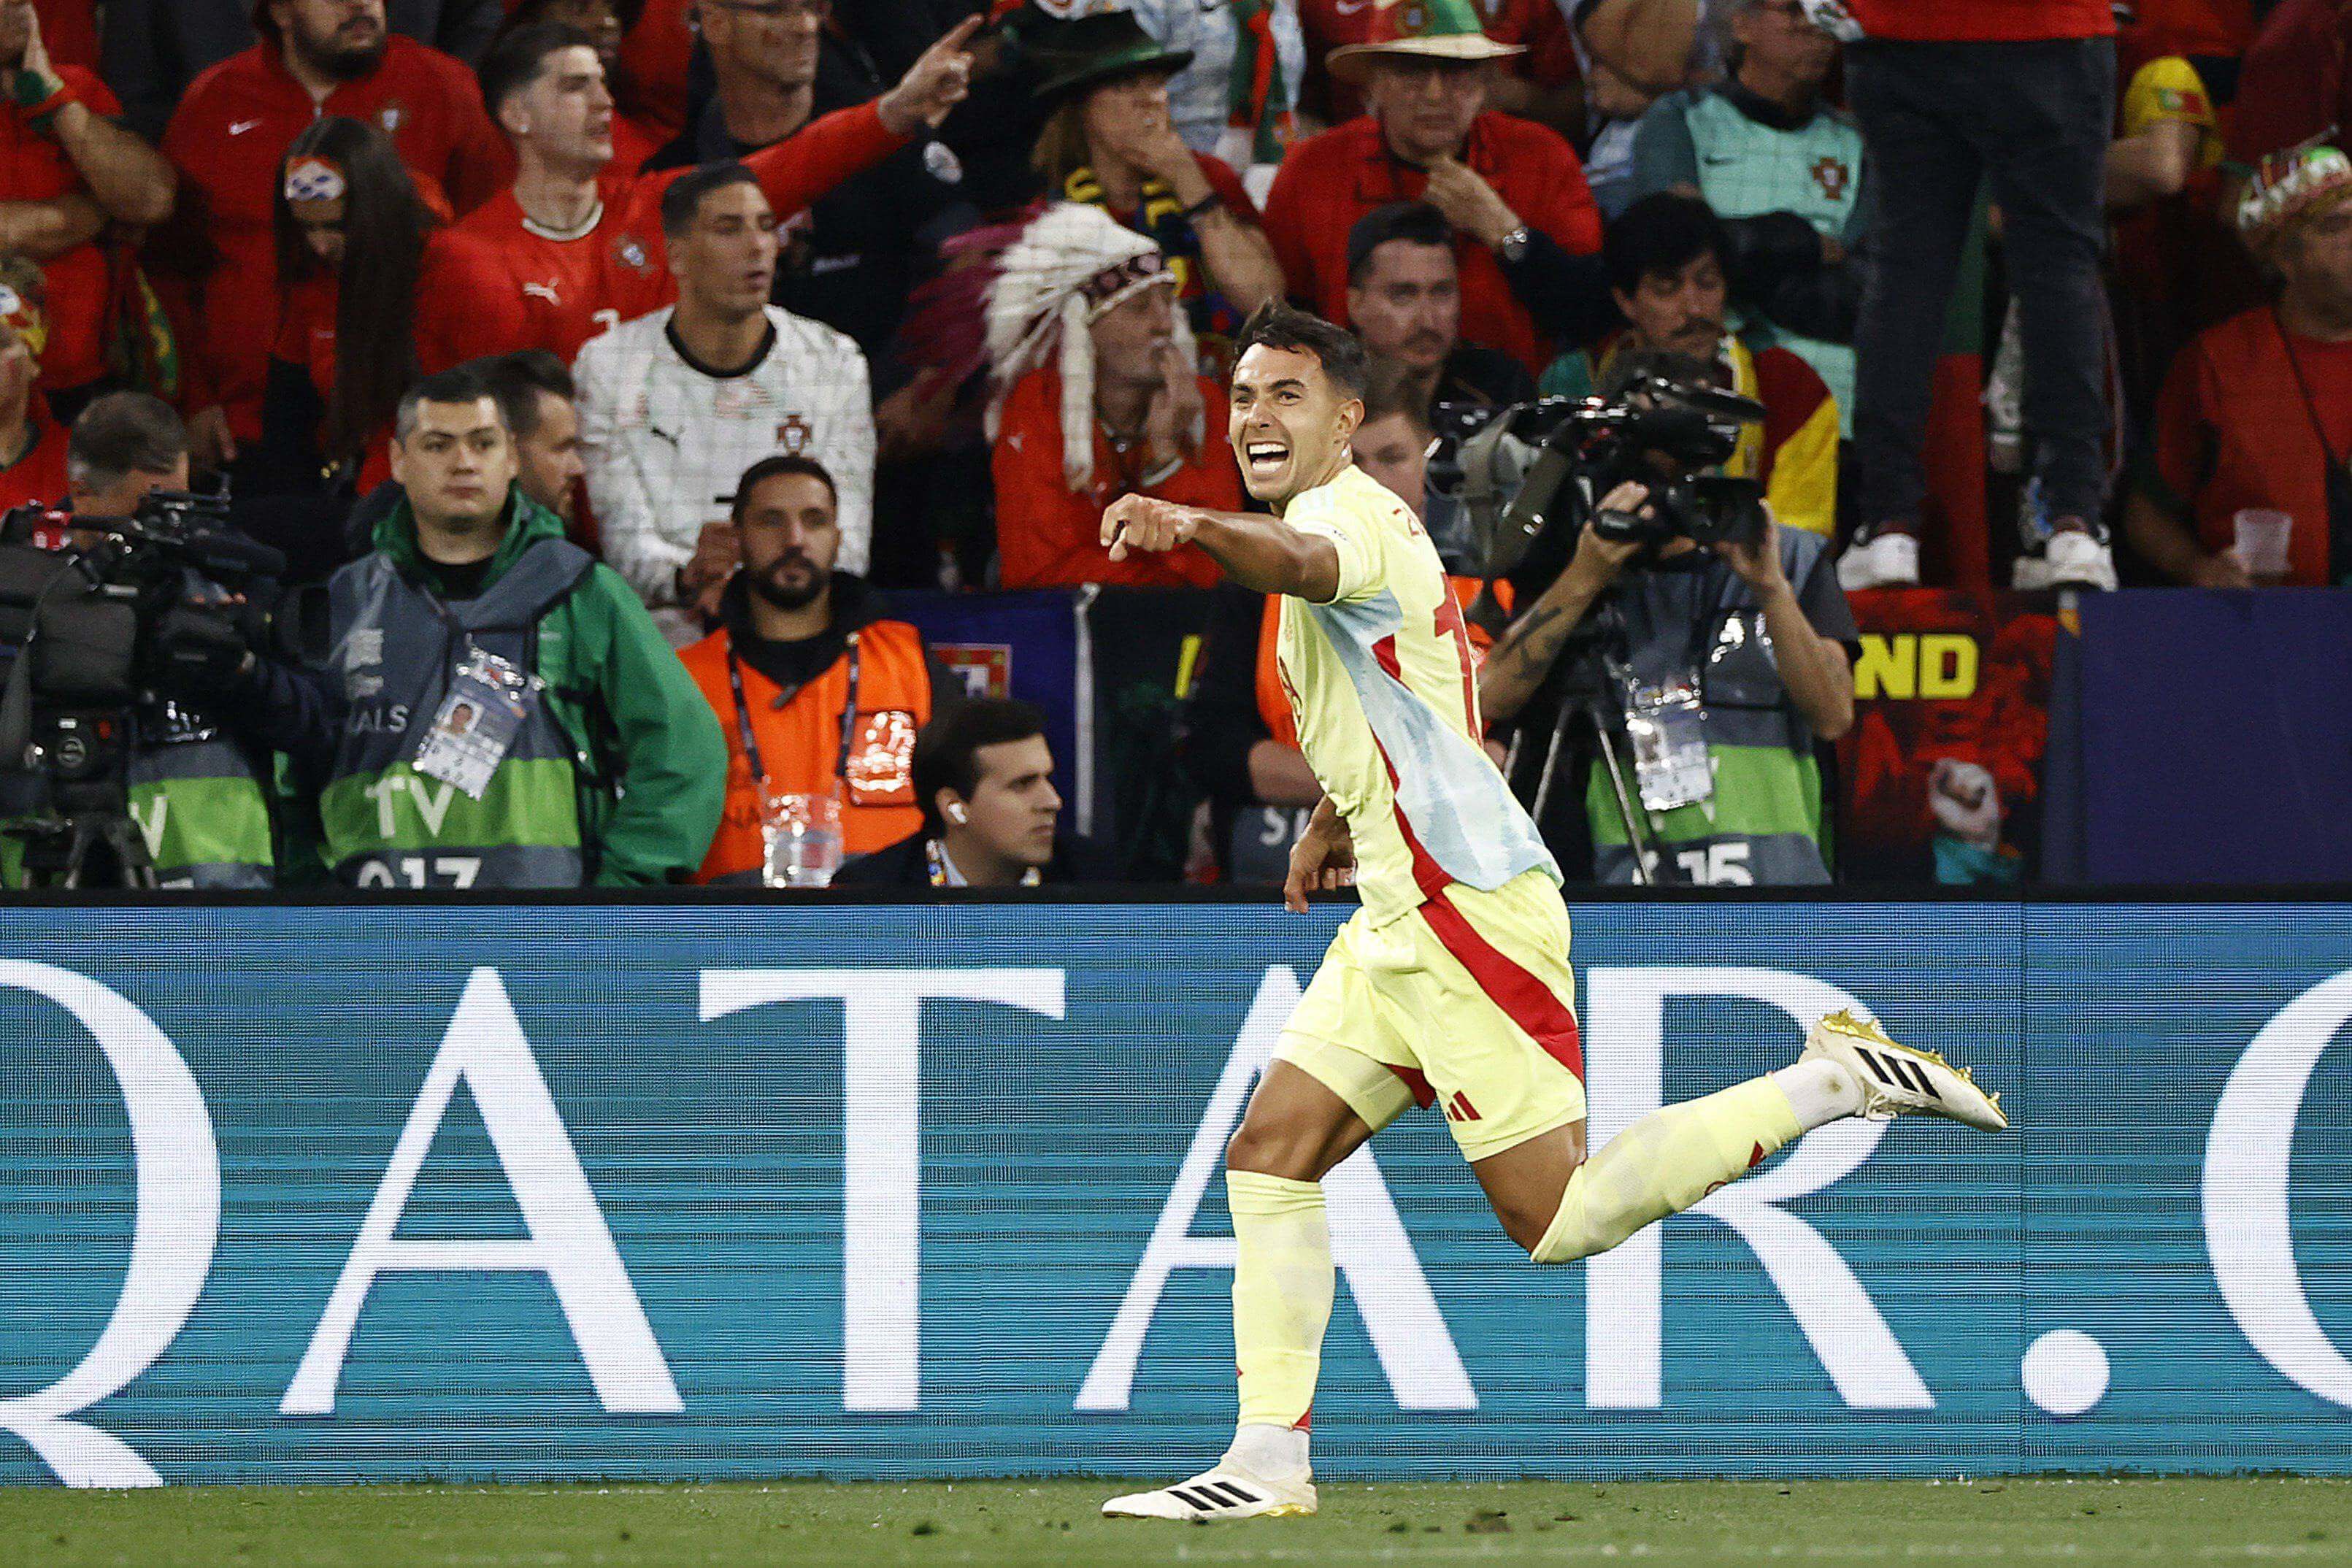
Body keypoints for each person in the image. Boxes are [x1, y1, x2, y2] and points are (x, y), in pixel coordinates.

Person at [1094, 299, 2001, 1521]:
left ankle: (1832, 1079)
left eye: (1287, 394)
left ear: (1346, 419)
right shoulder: (1345, 522)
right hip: (1401, 902)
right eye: (1245, 395)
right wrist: (1339, 817)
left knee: (1557, 1218)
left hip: (1463, 911)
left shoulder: (1338, 522)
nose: (1257, 415)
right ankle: (1266, 1461)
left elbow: (1299, 567)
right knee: (1270, 1151)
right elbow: (1437, 703)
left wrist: (1190, 522)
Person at [226, 364, 726, 887]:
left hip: (543, 931)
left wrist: (620, 891)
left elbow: (684, 752)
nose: (463, 463)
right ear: (398, 461)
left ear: (511, 458)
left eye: (483, 444)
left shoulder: (583, 593)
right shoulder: (342, 600)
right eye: (438, 445)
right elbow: (290, 770)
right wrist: (311, 895)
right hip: (376, 929)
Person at [448, 16, 976, 366]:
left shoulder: (659, 206)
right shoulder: (469, 257)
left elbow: (800, 161)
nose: (603, 102)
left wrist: (897, 108)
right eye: (574, 87)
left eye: (603, 83)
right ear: (516, 115)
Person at [1834, 0, 2119, 592]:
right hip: (2048, 31)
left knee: (1907, 272)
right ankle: (2073, 524)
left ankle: (1889, 526)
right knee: (2058, 269)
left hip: (1903, 31)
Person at [156, 0, 512, 471]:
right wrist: (196, 398)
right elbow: (171, 266)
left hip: (411, 422)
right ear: (281, 11)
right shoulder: (214, 99)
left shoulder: (442, 85)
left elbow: (494, 241)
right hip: (249, 421)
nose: (361, 4)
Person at [576, 161, 877, 645]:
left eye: (765, 226)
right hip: (665, 639)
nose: (758, 246)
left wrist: (744, 589)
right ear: (677, 256)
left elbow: (849, 543)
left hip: (798, 629)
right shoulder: (610, 365)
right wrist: (690, 575)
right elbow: (624, 542)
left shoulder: (833, 363)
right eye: (728, 229)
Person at [1261, 0, 1603, 376]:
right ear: (1375, 85)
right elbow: (1284, 319)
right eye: (1412, 72)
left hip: (1510, 400)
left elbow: (1590, 313)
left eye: (1456, 71)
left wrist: (1507, 234)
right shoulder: (1313, 168)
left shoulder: (1541, 157)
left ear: (1485, 84)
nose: (1436, 95)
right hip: (1355, 398)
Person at [678, 454, 953, 883]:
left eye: (815, 521)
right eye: (771, 521)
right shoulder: (686, 677)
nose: (794, 540)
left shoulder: (909, 660)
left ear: (838, 538)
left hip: (893, 920)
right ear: (737, 539)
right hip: (731, 920)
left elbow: (970, 797)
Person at [642, 0, 969, 360]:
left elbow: (962, 252)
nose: (806, 27)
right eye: (775, 11)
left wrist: (924, 374)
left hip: (884, 375)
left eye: (813, 8)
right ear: (716, 23)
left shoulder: (886, 136)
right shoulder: (674, 175)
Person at [1540, 194, 1840, 541]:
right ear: (1625, 301)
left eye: (1707, 283)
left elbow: (1802, 543)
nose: (1694, 308)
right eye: (1667, 289)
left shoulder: (1791, 389)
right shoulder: (1571, 383)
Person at [69, 393, 278, 888]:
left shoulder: (231, 574)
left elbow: (316, 727)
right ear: (81, 493)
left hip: (214, 898)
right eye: (149, 509)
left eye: (180, 503)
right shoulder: (32, 587)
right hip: (49, 889)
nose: (170, 526)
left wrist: (243, 671)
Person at [1629, 0, 1867, 434]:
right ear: (1741, 23)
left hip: (1838, 410)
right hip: (1708, 399)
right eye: (1793, 9)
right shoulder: (1681, 119)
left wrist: (1732, 261)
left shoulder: (1858, 143)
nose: (1815, 27)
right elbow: (1666, 247)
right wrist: (1801, 243)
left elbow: (1867, 292)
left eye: (1825, 10)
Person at [2126, 147, 2352, 590]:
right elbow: (2145, 514)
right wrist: (2200, 569)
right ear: (2284, 258)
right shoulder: (2219, 361)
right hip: (2262, 623)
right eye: (2334, 226)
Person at [258, 117, 517, 499]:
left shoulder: (458, 271)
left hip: (445, 483)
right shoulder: (316, 276)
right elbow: (289, 410)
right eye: (306, 228)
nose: (320, 245)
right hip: (361, 480)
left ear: (374, 211)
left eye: (335, 226)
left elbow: (491, 408)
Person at [985, 202, 1240, 589]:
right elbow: (1039, 574)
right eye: (1139, 307)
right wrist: (1167, 582)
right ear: (1084, 328)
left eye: (1168, 302)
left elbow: (1215, 572)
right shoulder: (1039, 403)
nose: (1164, 324)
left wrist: (1166, 458)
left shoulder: (1202, 403)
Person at [1026, 6, 1283, 373]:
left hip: (1216, 375)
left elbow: (1264, 301)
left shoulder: (1208, 175)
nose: (1152, 99)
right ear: (1083, 107)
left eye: (1157, 83)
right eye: (1127, 85)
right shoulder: (1054, 208)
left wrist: (1187, 180)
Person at [0, 0, 177, 413]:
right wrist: (99, 211)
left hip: (89, 384)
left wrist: (50, 93)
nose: (15, 8)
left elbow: (151, 198)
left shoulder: (74, 88)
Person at [101, 0, 509, 139]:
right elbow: (134, 89)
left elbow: (477, 23)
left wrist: (437, 103)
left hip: (407, 140)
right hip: (219, 175)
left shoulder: (445, 85)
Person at [833, 697, 1069, 888]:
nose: (1053, 802)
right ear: (954, 808)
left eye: (1047, 779)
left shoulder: (1087, 878)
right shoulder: (868, 896)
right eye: (1022, 784)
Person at [1344, 201, 1534, 420]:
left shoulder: (1502, 388)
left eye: (1442, 293)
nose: (1427, 321)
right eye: (1403, 296)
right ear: (1356, 304)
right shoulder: (1326, 394)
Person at [493, 0, 664, 174]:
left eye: (614, 10)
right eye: (578, 8)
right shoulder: (488, 136)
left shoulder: (643, 161)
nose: (608, 22)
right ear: (527, 22)